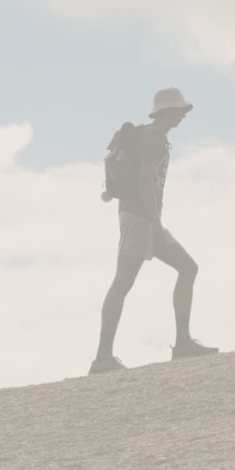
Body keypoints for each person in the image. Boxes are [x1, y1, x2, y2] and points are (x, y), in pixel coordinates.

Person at [92, 88, 218, 375]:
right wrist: (156, 222)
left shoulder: (150, 136)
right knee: (123, 282)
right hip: (141, 218)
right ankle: (102, 358)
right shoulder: (154, 138)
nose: (183, 116)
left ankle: (182, 343)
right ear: (167, 112)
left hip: (142, 217)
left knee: (188, 268)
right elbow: (145, 181)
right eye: (180, 111)